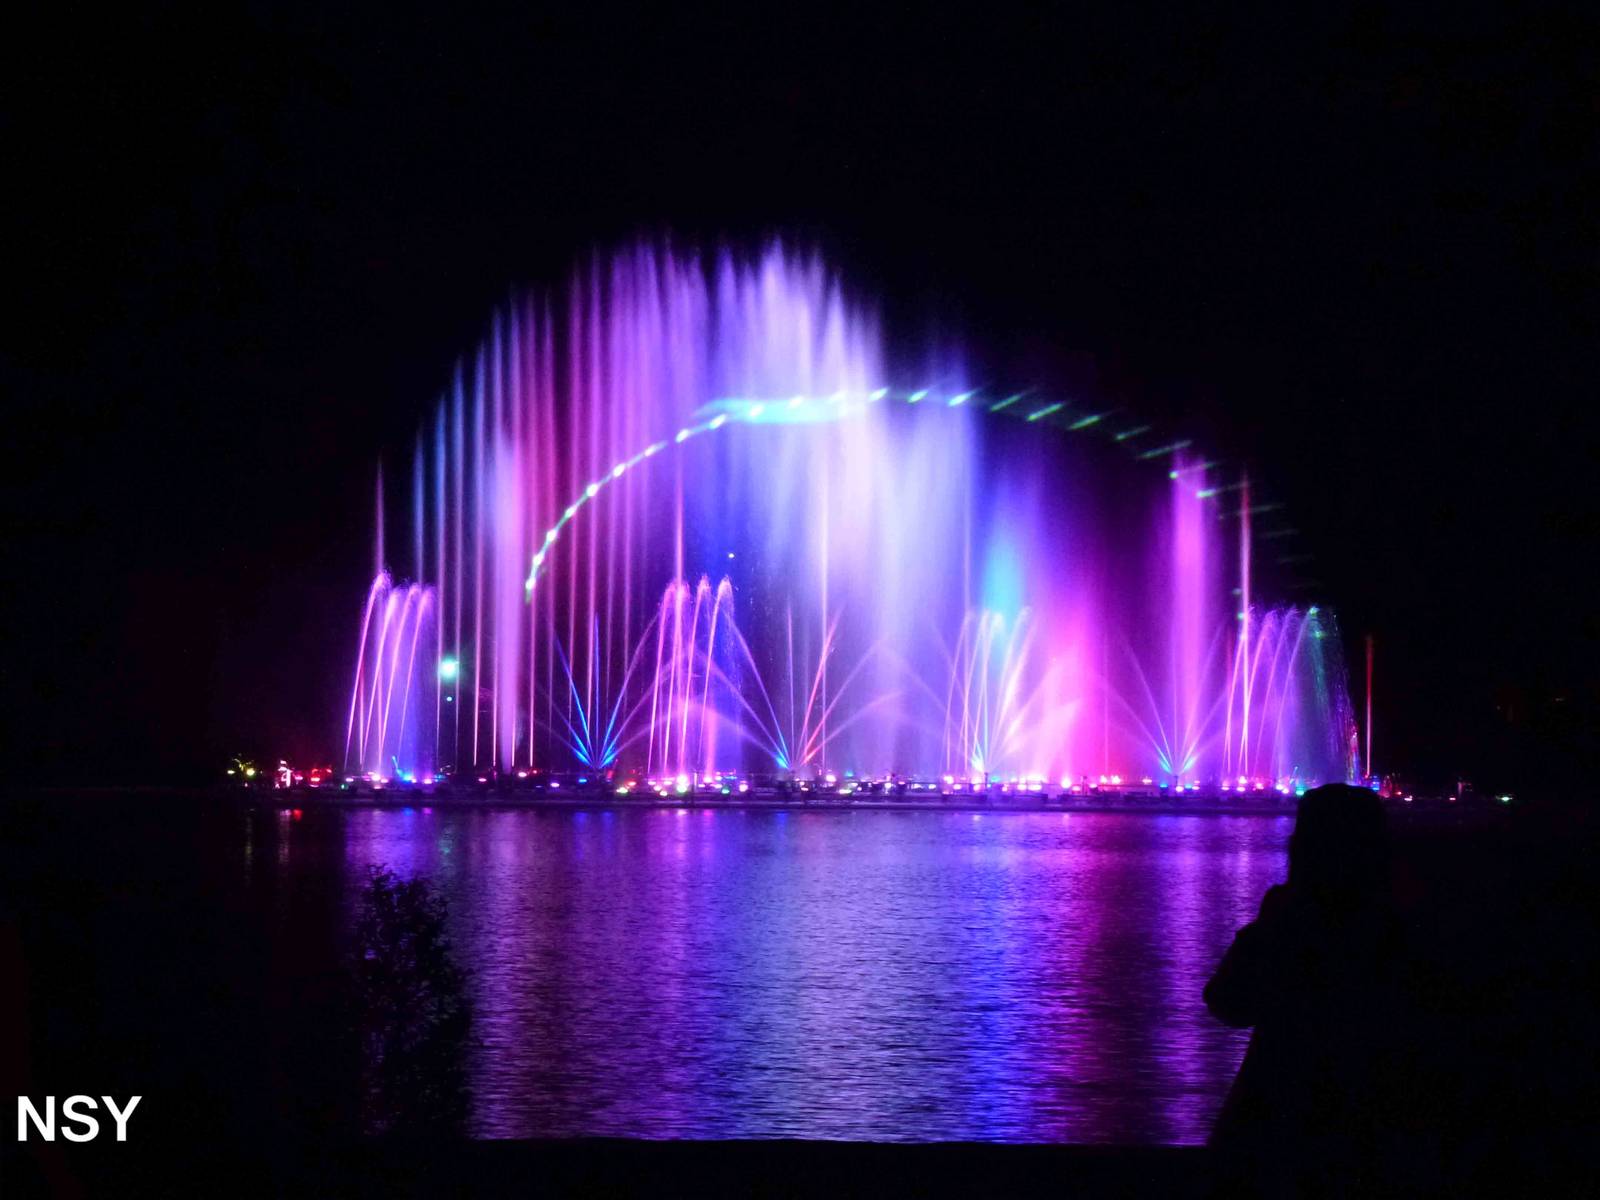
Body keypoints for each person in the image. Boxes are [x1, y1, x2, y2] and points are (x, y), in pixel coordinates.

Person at [1205, 784, 1409, 1197]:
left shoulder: (1291, 920)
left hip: (1273, 1122)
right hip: (1373, 1131)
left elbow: (1227, 1002)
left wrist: (1272, 921)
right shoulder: (1403, 929)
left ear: (1305, 849)